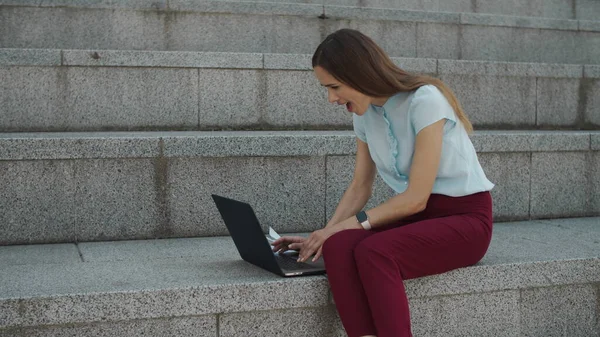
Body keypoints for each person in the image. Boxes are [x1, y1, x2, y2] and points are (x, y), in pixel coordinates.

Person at [271, 28, 495, 337]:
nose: (331, 98)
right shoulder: (363, 115)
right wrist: (323, 235)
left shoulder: (425, 100)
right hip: (413, 219)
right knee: (337, 246)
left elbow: (416, 197)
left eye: (334, 87)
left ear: (359, 74)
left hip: (464, 219)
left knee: (375, 252)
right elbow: (360, 185)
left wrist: (340, 227)